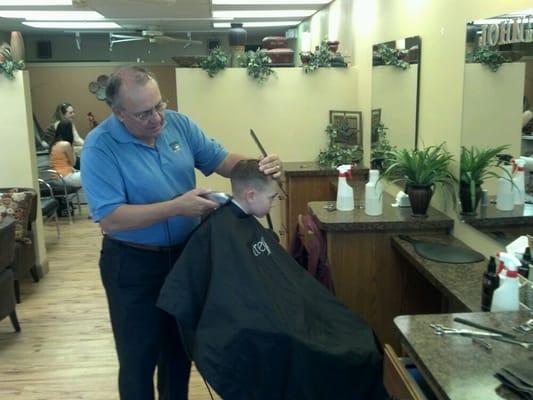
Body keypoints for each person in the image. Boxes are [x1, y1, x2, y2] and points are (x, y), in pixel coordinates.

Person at [80, 65, 282, 400]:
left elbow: (222, 161)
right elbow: (111, 219)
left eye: (159, 105)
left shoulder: (179, 124)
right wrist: (175, 207)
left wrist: (260, 166)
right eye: (144, 113)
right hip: (132, 266)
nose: (157, 118)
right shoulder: (100, 148)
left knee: (178, 354)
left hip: (185, 259)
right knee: (138, 359)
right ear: (118, 113)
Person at [156, 158, 386, 400]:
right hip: (267, 325)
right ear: (251, 195)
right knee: (345, 351)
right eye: (272, 198)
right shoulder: (221, 230)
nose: (274, 204)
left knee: (356, 331)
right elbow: (230, 295)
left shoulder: (241, 222)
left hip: (287, 311)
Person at [49, 119, 82, 187]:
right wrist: (72, 147)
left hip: (56, 179)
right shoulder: (66, 144)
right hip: (65, 178)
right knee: (93, 175)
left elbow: (53, 163)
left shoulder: (53, 144)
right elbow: (74, 162)